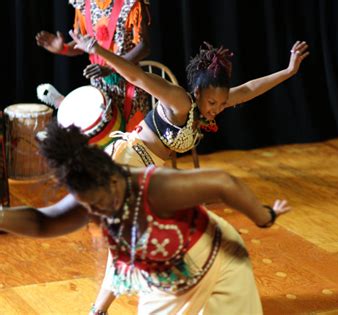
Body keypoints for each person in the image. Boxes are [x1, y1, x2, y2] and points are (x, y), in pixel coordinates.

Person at [0, 122, 290, 314]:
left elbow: (223, 183)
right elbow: (42, 222)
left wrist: (265, 216)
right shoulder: (91, 195)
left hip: (221, 257)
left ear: (113, 179)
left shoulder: (157, 187)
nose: (96, 214)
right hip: (169, 278)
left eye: (98, 204)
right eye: (90, 207)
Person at [69, 30, 310, 167]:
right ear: (197, 93)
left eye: (222, 103)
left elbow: (248, 89)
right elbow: (139, 78)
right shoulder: (180, 101)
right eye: (212, 103)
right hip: (129, 162)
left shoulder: (208, 104)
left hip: (150, 168)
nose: (216, 109)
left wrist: (288, 71)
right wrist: (98, 50)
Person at [36, 0, 152, 132]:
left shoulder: (131, 3)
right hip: (100, 91)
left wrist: (110, 68)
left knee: (133, 145)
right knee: (104, 143)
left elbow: (144, 47)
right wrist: (64, 49)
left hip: (130, 86)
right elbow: (85, 43)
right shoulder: (84, 4)